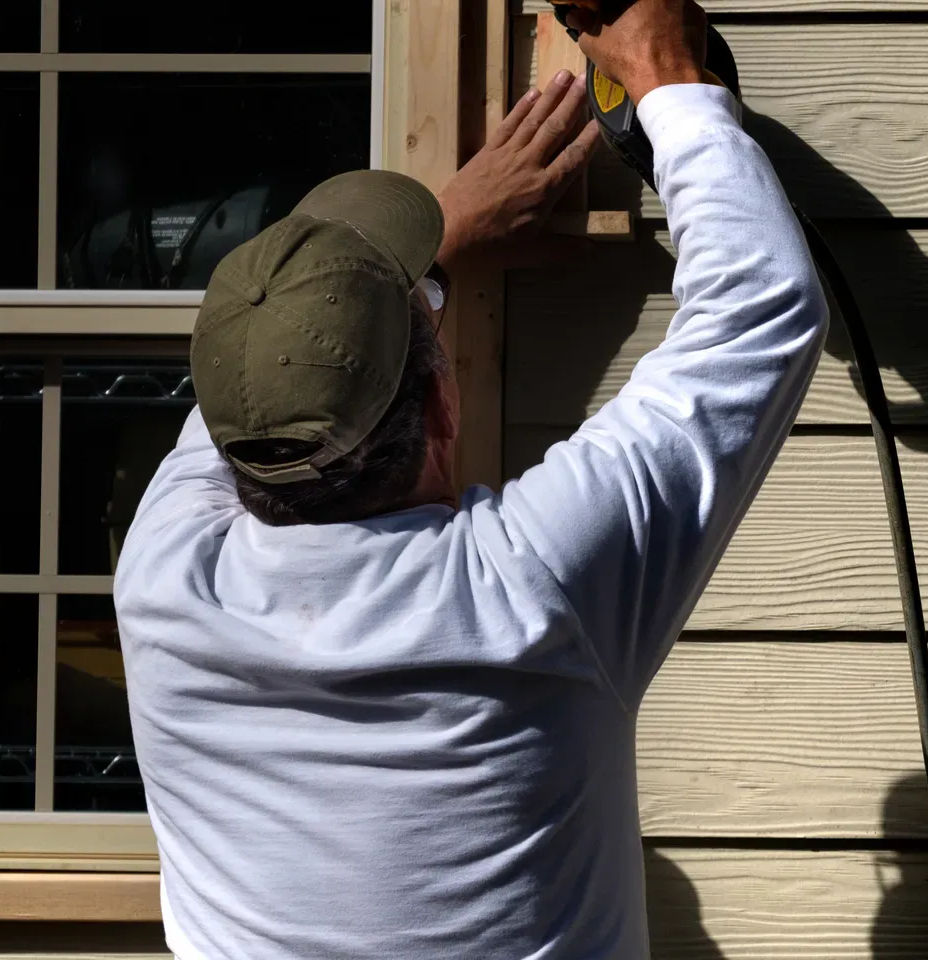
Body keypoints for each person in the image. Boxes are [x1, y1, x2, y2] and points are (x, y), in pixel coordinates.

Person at [112, 2, 827, 956]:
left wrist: (437, 244)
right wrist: (666, 72)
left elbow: (268, 386)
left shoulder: (160, 575)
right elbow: (760, 307)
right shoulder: (530, 591)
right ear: (446, 411)